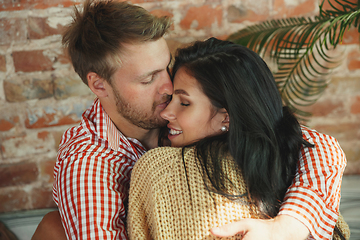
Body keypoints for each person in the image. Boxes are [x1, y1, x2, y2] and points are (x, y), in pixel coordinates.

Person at [31, 0, 346, 239]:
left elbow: (316, 146)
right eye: (148, 79)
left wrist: (289, 225)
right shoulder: (89, 164)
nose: (167, 88)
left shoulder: (183, 115)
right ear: (99, 85)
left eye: (165, 67)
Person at [127, 38, 349, 240]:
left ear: (228, 117)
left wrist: (287, 226)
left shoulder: (162, 168)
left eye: (184, 103)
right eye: (171, 98)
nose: (166, 113)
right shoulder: (290, 158)